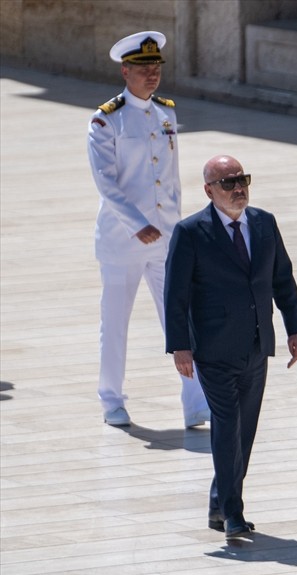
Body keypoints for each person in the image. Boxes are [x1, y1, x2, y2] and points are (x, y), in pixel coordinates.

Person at [164, 156, 297, 544]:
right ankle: (232, 514)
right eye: (227, 183)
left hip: (257, 346)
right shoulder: (190, 232)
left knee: (244, 431)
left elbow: (283, 279)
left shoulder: (264, 223)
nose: (238, 188)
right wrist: (180, 346)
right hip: (213, 349)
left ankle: (218, 501)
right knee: (226, 429)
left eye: (242, 179)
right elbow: (175, 295)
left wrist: (295, 328)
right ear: (209, 191)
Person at [87, 31, 208, 428]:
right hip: (124, 240)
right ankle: (111, 400)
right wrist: (137, 225)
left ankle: (195, 402)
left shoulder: (167, 113)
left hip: (167, 238)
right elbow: (107, 182)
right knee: (116, 322)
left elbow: (169, 180)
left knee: (180, 318)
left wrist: (176, 226)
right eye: (143, 69)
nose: (152, 75)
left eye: (156, 68)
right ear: (126, 71)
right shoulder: (107, 119)